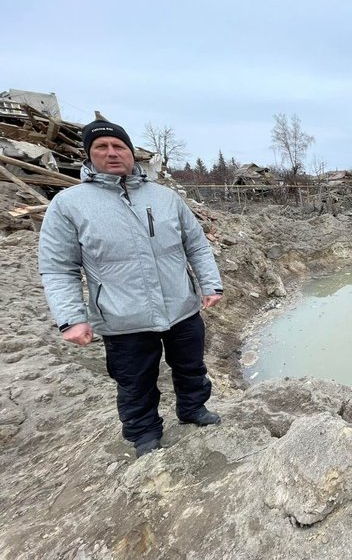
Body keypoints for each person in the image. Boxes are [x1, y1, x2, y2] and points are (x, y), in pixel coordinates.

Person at [38, 119, 224, 458]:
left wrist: (210, 284)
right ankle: (145, 434)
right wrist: (71, 318)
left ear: (131, 152)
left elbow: (196, 245)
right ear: (88, 155)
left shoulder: (165, 198)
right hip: (122, 315)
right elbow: (58, 267)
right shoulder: (69, 205)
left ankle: (193, 409)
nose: (111, 153)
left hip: (181, 306)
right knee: (135, 380)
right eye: (101, 148)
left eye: (118, 146)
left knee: (191, 366)